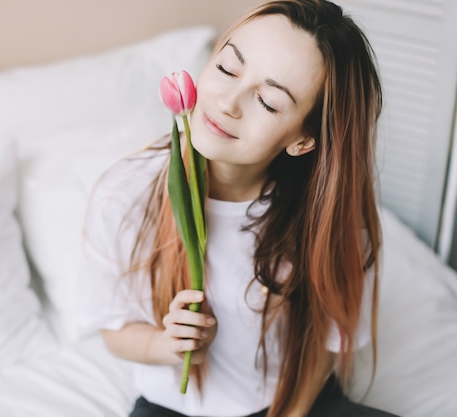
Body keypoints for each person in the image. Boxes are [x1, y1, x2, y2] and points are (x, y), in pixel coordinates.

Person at [79, 1, 400, 416]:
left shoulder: (327, 221)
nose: (228, 102)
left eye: (267, 102)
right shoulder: (125, 194)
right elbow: (114, 330)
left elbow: (327, 345)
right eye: (227, 69)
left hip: (289, 400)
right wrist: (169, 345)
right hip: (174, 408)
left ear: (303, 140)